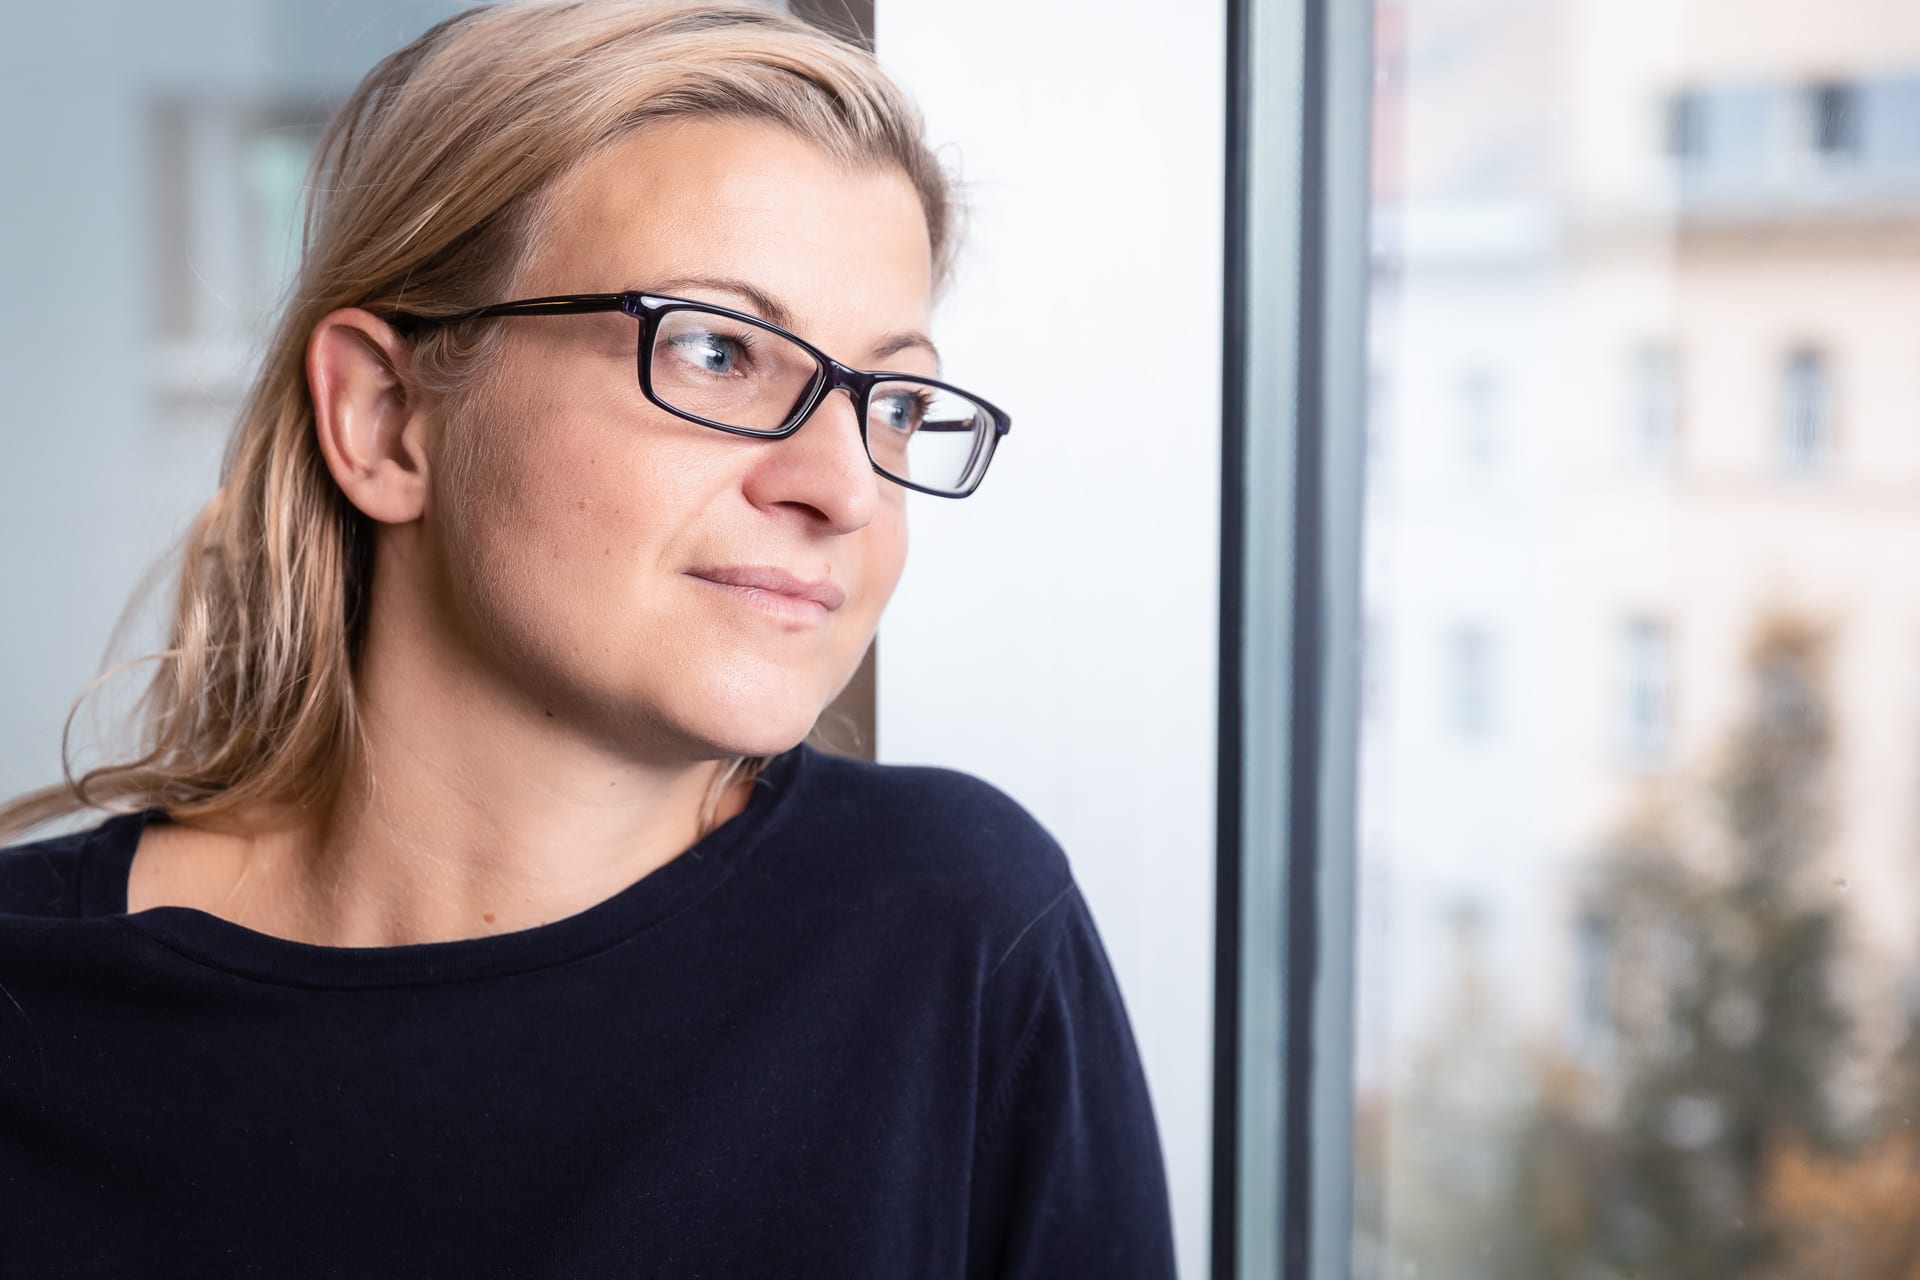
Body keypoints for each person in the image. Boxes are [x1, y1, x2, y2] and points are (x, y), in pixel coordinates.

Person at [0, 1, 1177, 1275]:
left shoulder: (954, 928)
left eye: (889, 399)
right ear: (389, 418)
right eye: (721, 349)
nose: (841, 487)